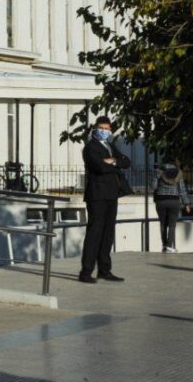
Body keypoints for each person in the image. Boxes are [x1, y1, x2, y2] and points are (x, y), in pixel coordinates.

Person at [78, 115, 131, 284]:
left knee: (108, 233)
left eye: (108, 129)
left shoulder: (110, 146)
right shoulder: (90, 148)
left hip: (111, 194)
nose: (105, 131)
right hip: (97, 195)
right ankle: (86, 271)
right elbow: (99, 167)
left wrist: (113, 161)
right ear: (95, 128)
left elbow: (126, 162)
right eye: (102, 128)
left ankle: (104, 270)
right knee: (95, 232)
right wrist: (112, 164)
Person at [153, 163, 191, 253]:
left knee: (163, 224)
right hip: (174, 201)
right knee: (172, 225)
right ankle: (170, 246)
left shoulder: (159, 172)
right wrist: (186, 204)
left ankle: (164, 245)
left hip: (161, 201)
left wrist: (156, 178)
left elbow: (153, 186)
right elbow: (182, 190)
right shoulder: (179, 174)